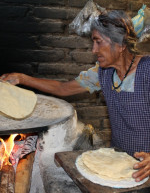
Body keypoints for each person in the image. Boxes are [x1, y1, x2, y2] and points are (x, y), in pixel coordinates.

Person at [1, 10, 150, 183]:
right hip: (120, 160)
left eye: (98, 42)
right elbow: (63, 88)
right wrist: (23, 78)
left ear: (121, 44)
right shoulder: (102, 73)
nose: (94, 50)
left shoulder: (146, 70)